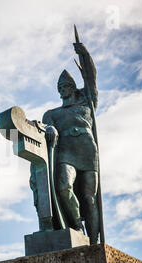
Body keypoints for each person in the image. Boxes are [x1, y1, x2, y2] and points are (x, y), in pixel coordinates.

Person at [31, 42, 100, 244]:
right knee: (63, 186)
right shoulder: (52, 114)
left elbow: (90, 77)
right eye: (59, 88)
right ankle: (77, 225)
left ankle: (95, 243)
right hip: (66, 153)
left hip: (87, 151)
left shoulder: (87, 102)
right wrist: (49, 128)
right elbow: (42, 131)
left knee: (89, 198)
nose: (63, 90)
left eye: (66, 86)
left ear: (74, 87)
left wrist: (84, 55)